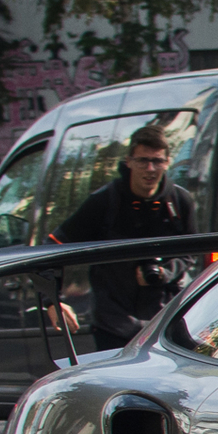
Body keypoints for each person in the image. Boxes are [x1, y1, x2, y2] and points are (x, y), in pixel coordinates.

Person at [51, 123, 197, 350]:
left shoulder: (180, 202)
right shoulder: (103, 202)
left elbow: (192, 253)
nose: (150, 169)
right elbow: (54, 247)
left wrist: (164, 271)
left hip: (166, 324)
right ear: (128, 162)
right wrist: (52, 301)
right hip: (114, 327)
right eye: (142, 161)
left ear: (167, 162)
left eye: (157, 161)